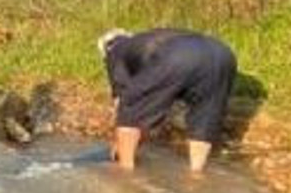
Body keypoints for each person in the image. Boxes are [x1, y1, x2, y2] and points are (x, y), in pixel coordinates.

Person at [98, 28, 238, 173]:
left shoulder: (114, 51)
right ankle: (196, 175)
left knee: (129, 108)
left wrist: (119, 143)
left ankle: (125, 172)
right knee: (205, 116)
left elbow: (126, 102)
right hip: (223, 54)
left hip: (179, 56)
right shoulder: (147, 38)